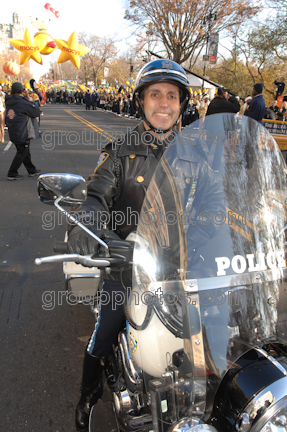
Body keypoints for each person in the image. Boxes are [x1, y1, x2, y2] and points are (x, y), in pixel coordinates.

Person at [67, 59, 224, 432]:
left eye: (172, 96)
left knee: (217, 329)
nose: (164, 103)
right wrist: (100, 238)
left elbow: (215, 207)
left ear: (182, 103)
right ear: (141, 101)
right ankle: (88, 394)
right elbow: (94, 200)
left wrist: (197, 246)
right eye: (156, 95)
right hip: (127, 265)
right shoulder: (120, 152)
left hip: (179, 267)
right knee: (106, 328)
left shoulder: (197, 156)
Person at [5, 82, 41, 181]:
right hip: (22, 131)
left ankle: (31, 170)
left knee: (24, 151)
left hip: (13, 129)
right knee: (22, 152)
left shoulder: (9, 100)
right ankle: (12, 172)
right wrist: (31, 102)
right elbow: (36, 112)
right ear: (21, 91)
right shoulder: (22, 102)